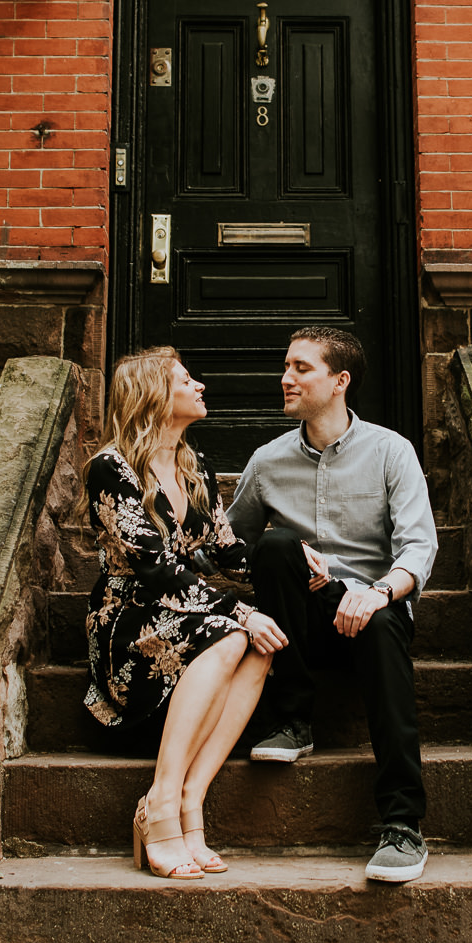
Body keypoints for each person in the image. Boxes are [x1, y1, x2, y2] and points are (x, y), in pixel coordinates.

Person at [228, 326, 438, 883]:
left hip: (371, 615)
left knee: (386, 621)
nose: (286, 377)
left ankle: (402, 824)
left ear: (340, 381)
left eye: (301, 368)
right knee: (274, 547)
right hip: (304, 622)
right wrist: (296, 557)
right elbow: (229, 547)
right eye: (287, 366)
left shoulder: (392, 450)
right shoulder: (268, 461)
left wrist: (373, 591)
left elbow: (419, 546)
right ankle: (292, 720)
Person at [84, 347, 288, 880]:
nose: (200, 386)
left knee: (257, 645)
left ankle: (192, 800)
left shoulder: (195, 465)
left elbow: (228, 553)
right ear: (153, 396)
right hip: (128, 620)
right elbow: (154, 572)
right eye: (185, 380)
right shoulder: (112, 469)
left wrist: (299, 564)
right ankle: (161, 803)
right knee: (231, 634)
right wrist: (241, 612)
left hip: (185, 613)